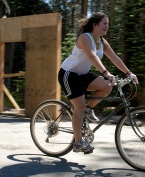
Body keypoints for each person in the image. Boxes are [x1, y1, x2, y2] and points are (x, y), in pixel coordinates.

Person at [58, 12, 139, 154]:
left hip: (83, 74)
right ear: (95, 24)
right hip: (69, 74)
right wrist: (106, 73)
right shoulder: (85, 37)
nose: (107, 26)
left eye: (108, 24)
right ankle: (77, 143)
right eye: (105, 23)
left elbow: (115, 58)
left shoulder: (102, 42)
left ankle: (87, 111)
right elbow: (91, 55)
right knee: (79, 107)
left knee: (107, 85)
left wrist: (128, 73)